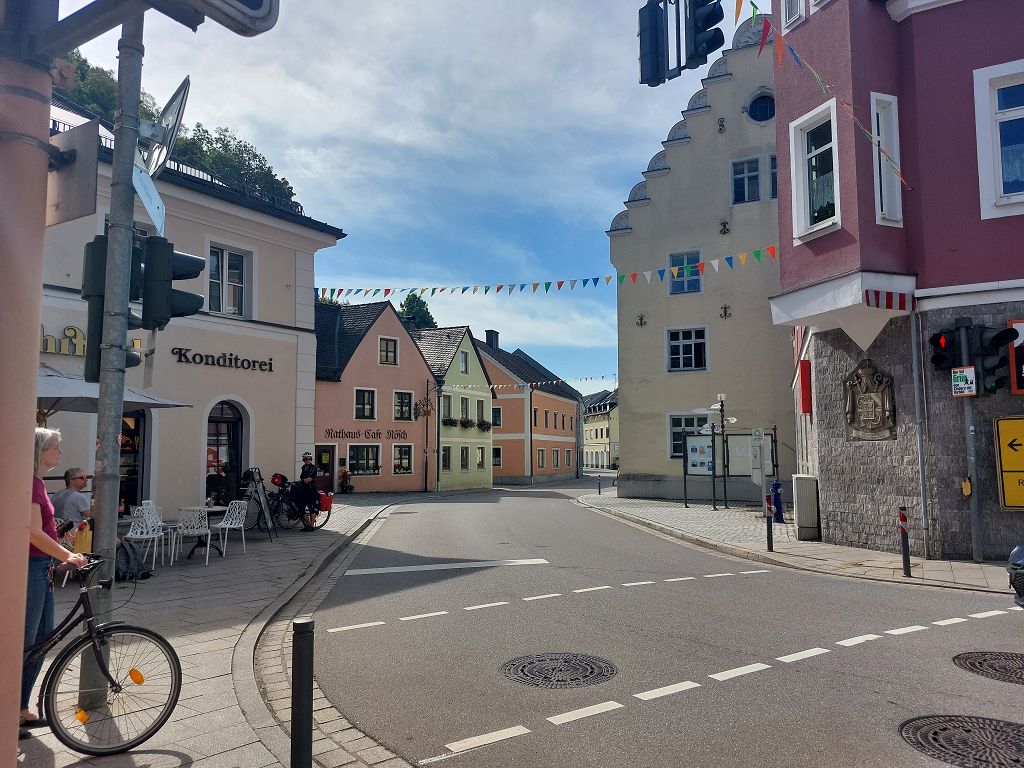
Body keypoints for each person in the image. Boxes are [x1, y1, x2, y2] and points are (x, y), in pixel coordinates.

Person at [21, 428, 88, 741]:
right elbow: (32, 532)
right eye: (56, 447)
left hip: (42, 566)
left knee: (42, 639)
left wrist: (58, 542)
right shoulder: (31, 482)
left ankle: (20, 707)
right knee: (29, 641)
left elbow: (41, 530)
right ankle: (13, 708)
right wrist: (68, 555)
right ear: (40, 450)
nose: (60, 453)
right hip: (33, 566)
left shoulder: (38, 482)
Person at [298, 452, 320, 531]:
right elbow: (302, 478)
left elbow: (310, 479)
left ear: (311, 460)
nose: (308, 460)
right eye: (306, 459)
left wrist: (301, 481)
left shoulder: (314, 468)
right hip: (304, 490)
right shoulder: (303, 467)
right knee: (300, 508)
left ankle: (311, 526)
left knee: (311, 508)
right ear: (303, 460)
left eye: (309, 459)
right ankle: (308, 524)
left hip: (311, 490)